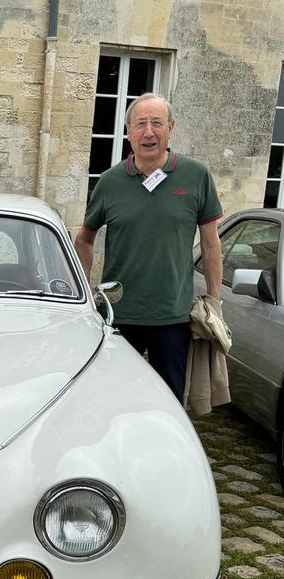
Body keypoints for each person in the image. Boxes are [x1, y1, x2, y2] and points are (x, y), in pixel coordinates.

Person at [74, 92, 223, 401]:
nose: (149, 132)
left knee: (168, 400)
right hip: (118, 313)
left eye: (157, 123)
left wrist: (214, 299)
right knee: (111, 397)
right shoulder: (110, 181)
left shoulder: (196, 176)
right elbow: (84, 239)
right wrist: (85, 292)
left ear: (171, 128)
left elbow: (211, 245)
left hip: (172, 315)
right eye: (140, 124)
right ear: (128, 131)